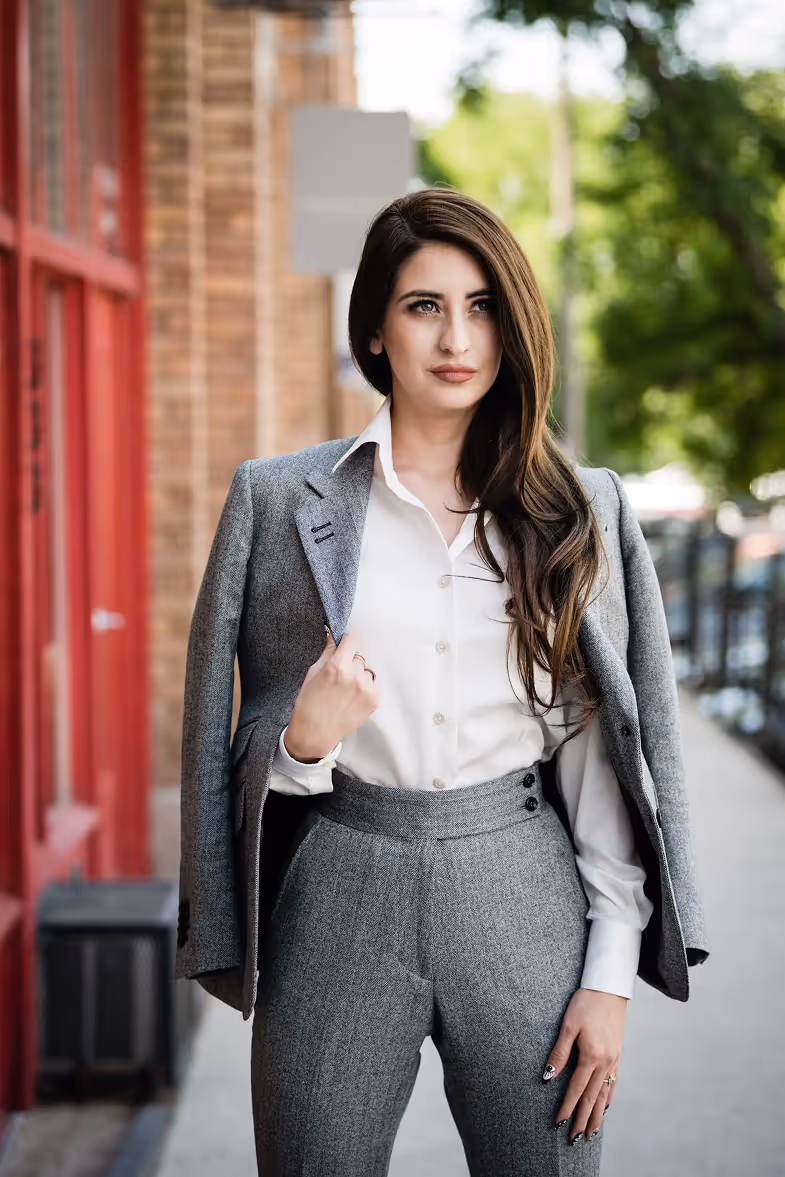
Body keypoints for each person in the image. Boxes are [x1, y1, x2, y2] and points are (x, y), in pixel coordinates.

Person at [174, 188, 709, 1177]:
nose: (455, 336)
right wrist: (303, 737)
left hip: (521, 889)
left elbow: (610, 754)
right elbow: (219, 737)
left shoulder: (579, 510)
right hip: (337, 887)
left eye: (481, 305)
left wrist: (606, 979)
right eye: (423, 306)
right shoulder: (276, 498)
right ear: (374, 329)